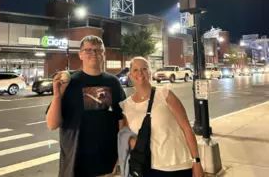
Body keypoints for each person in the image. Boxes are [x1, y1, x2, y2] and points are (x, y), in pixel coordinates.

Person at [46, 35, 126, 177]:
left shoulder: (113, 82)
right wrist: (57, 95)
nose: (93, 53)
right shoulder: (69, 83)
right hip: (74, 165)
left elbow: (122, 121)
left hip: (108, 165)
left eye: (97, 50)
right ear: (80, 54)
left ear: (103, 54)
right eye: (88, 50)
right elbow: (52, 124)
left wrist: (121, 157)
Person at [119, 57, 204, 177]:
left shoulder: (165, 94)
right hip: (147, 167)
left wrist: (197, 161)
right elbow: (126, 135)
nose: (140, 73)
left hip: (176, 165)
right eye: (135, 70)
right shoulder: (126, 106)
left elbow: (186, 128)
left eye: (144, 68)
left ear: (149, 73)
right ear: (130, 75)